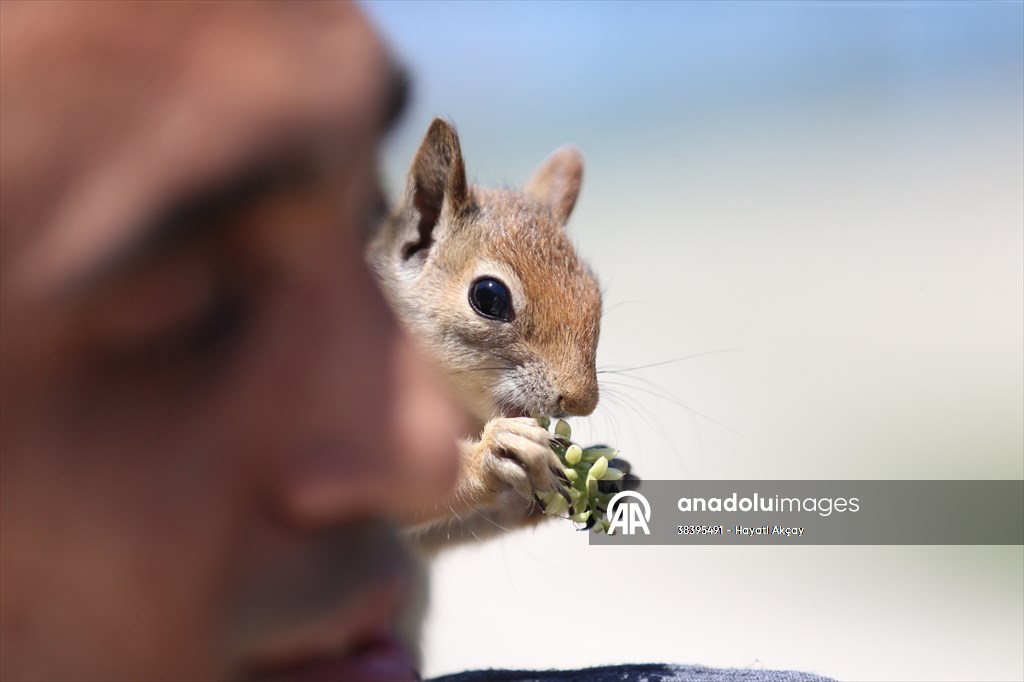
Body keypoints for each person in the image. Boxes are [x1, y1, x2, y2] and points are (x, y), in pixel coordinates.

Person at [1, 3, 834, 681]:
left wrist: (511, 504)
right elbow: (393, 503)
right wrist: (472, 473)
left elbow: (407, 529)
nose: (577, 394)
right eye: (187, 307)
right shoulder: (349, 373)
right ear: (421, 229)